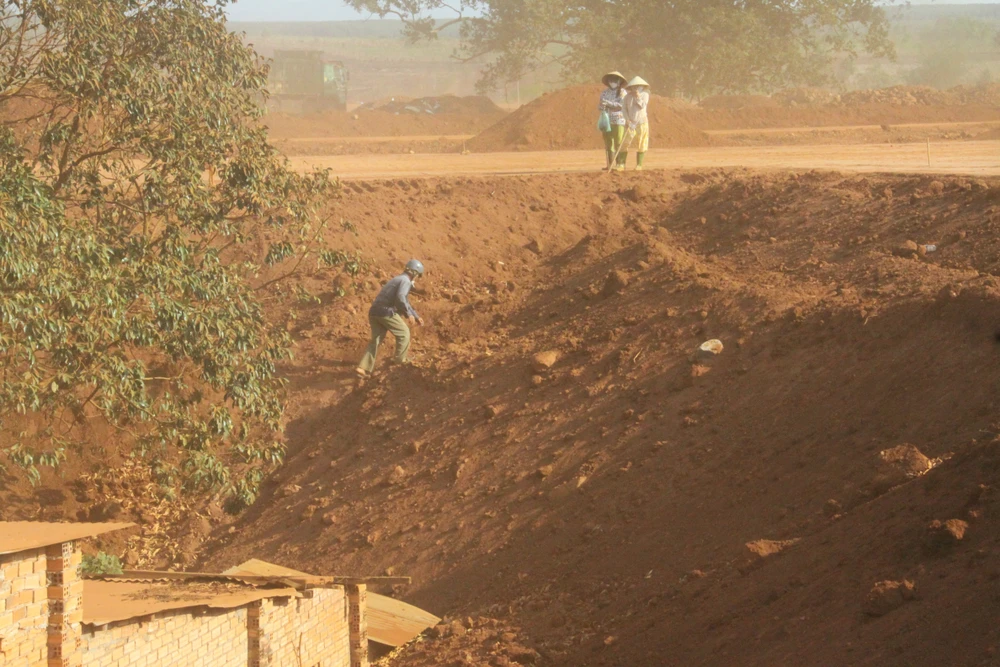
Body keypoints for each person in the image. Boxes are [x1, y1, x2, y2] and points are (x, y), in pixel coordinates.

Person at [356, 259, 425, 377]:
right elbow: (401, 297)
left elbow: (405, 301)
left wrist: (416, 316)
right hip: (386, 312)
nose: (417, 278)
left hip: (374, 312)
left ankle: (363, 368)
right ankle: (400, 360)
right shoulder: (406, 281)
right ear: (414, 272)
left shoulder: (398, 279)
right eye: (418, 275)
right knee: (404, 333)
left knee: (376, 340)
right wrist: (408, 314)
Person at [598, 71, 628, 171]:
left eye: (615, 80)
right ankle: (610, 164)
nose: (613, 82)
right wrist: (603, 106)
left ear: (619, 81)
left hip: (619, 120)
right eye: (611, 80)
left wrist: (608, 104)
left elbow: (621, 105)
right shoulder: (604, 93)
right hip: (607, 120)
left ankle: (620, 164)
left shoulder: (623, 92)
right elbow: (600, 106)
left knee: (618, 141)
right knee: (608, 142)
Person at [623, 76, 651, 171]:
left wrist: (638, 97)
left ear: (642, 86)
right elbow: (624, 109)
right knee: (625, 142)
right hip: (630, 122)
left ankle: (639, 165)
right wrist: (627, 120)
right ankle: (621, 164)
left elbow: (642, 106)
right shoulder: (627, 97)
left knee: (641, 142)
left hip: (641, 122)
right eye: (634, 86)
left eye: (638, 86)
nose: (636, 88)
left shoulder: (645, 95)